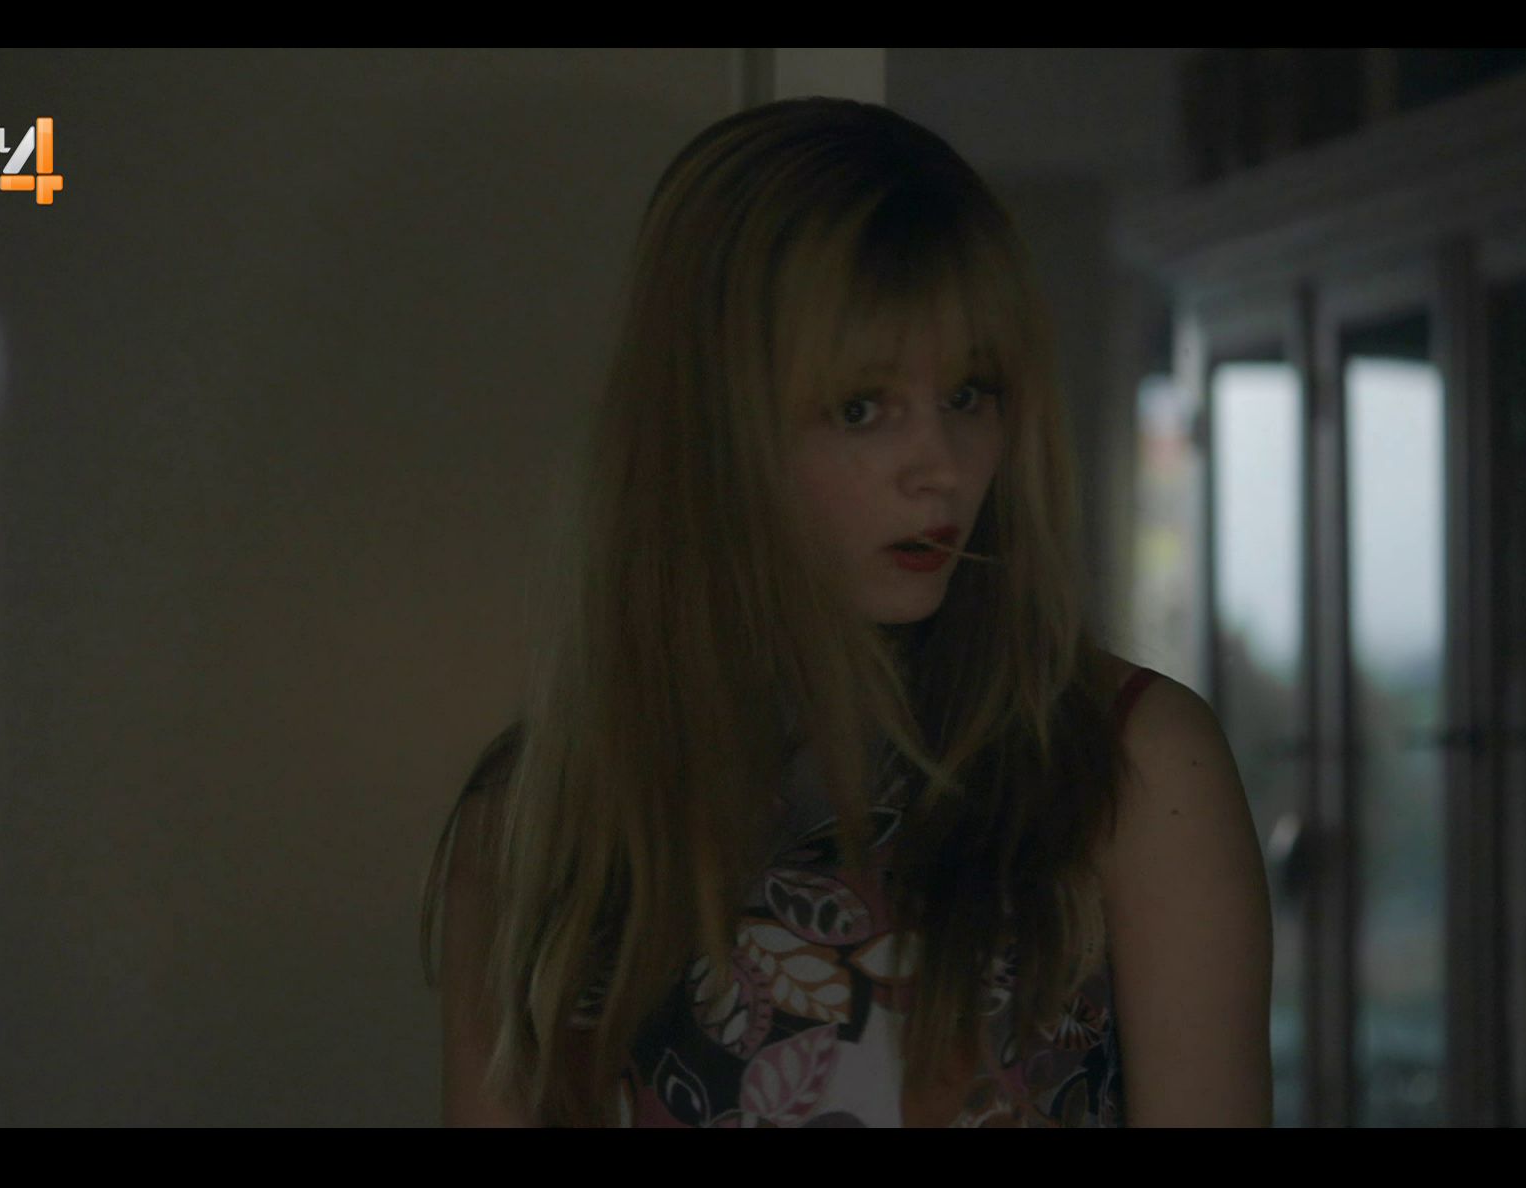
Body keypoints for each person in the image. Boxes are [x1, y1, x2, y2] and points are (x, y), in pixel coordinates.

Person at [419, 97, 1273, 1127]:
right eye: (863, 407)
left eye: (969, 394)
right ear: (714, 427)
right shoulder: (538, 815)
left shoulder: (1126, 764)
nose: (939, 468)